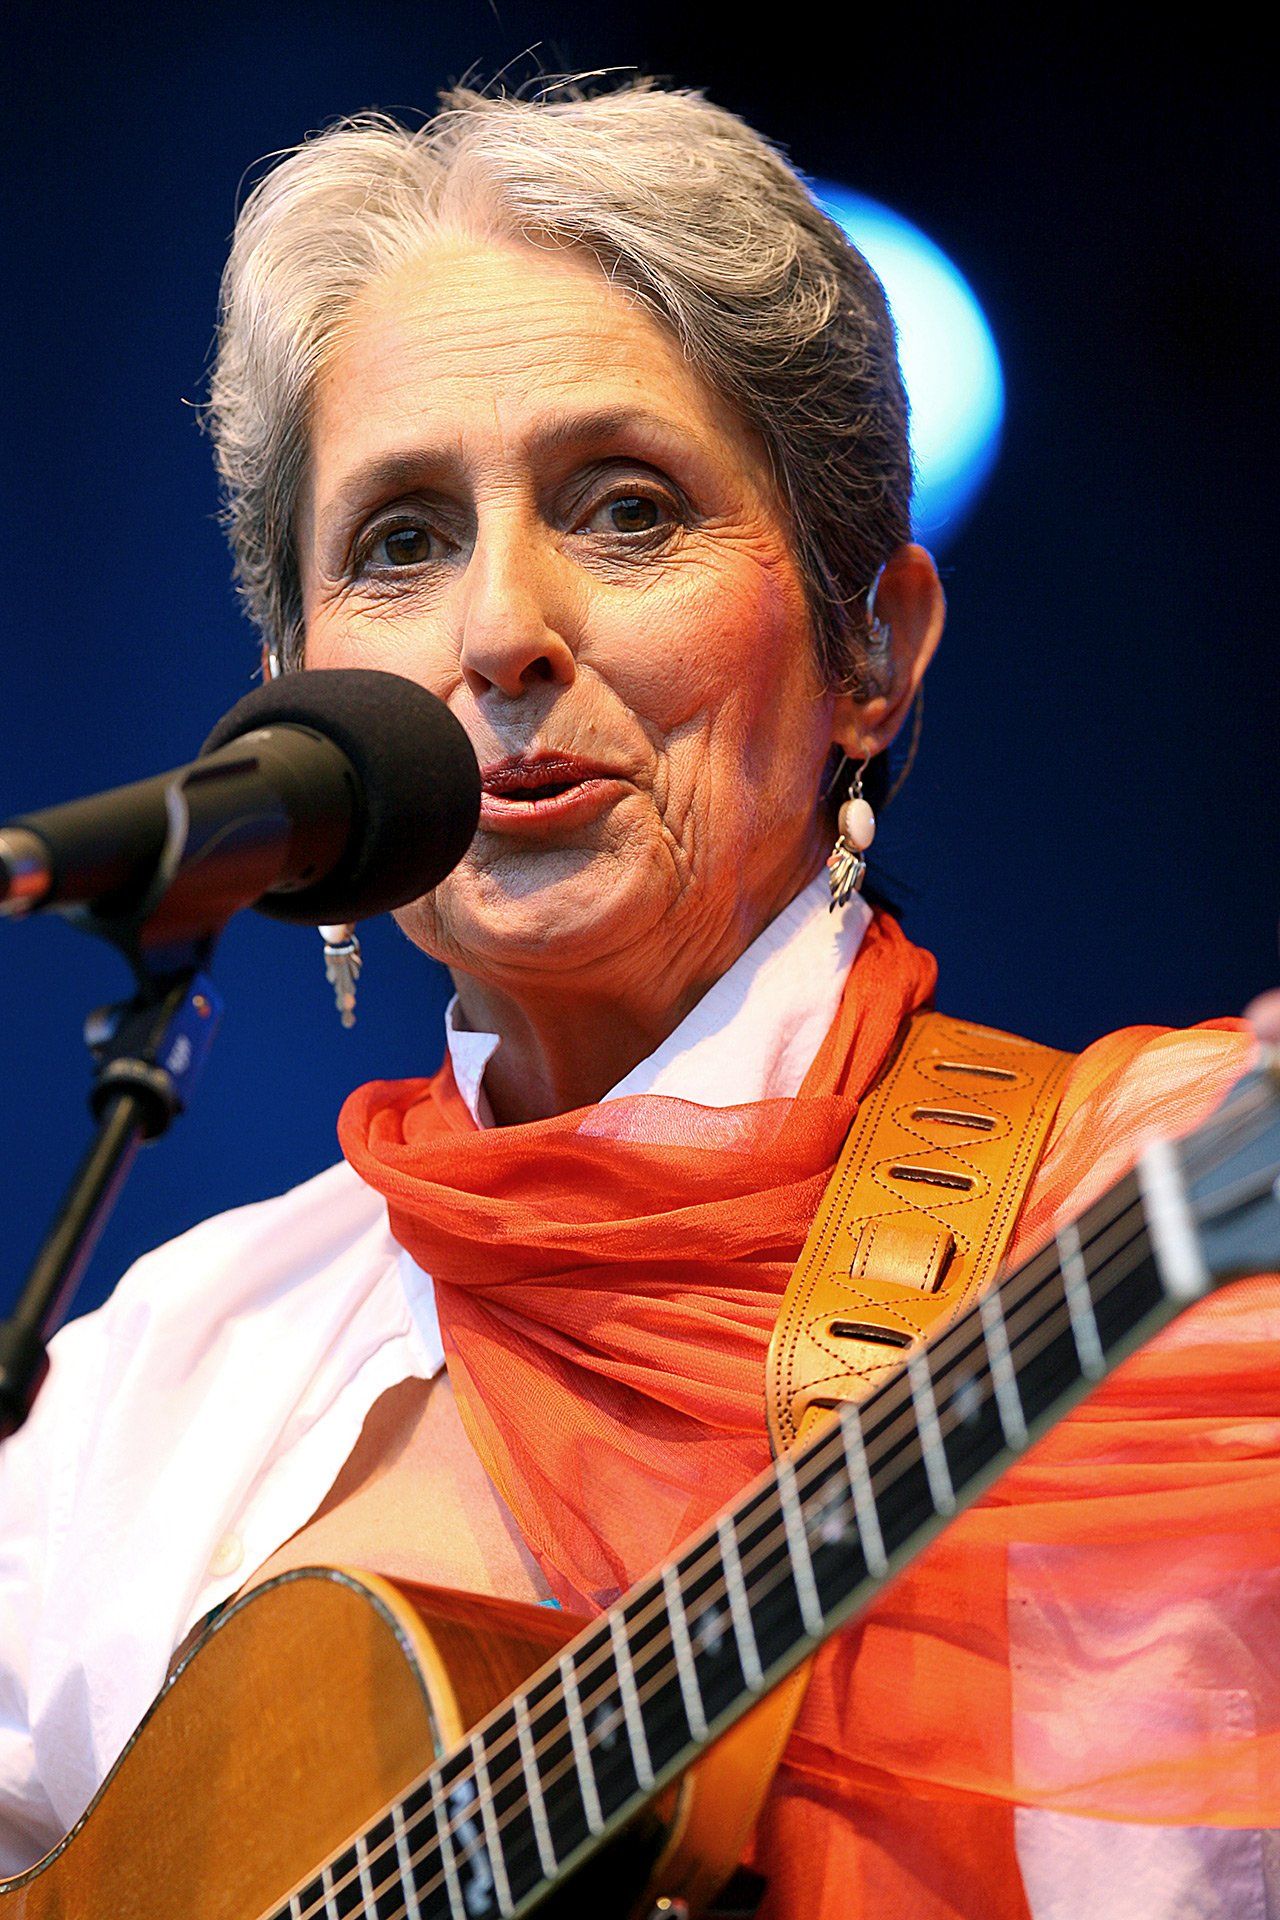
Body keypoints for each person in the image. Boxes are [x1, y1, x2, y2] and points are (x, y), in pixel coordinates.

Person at [1, 80, 1277, 1920]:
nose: (502, 628)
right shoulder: (164, 1369)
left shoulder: (1142, 1228)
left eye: (625, 510)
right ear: (298, 688)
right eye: (400, 540)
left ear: (873, 652)